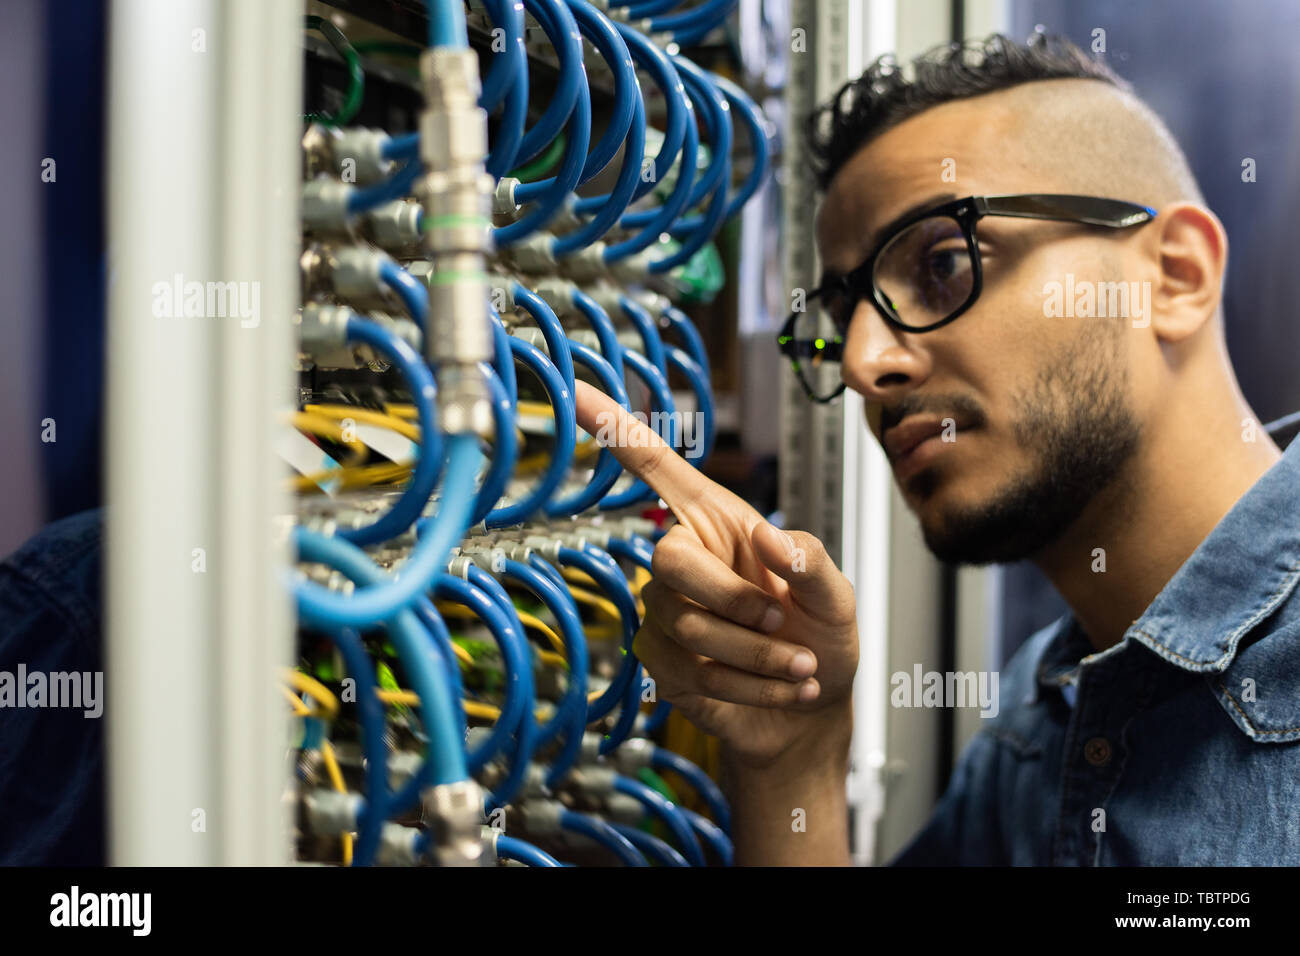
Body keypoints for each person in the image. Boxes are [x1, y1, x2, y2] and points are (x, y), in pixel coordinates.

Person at [572, 33, 1300, 865]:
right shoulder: (1048, 713)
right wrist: (792, 763)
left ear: (1174, 277)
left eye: (944, 264)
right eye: (843, 317)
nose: (860, 364)